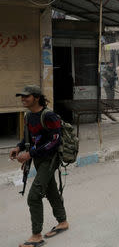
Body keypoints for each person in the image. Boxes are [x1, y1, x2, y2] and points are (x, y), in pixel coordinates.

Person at [10, 85, 68, 247]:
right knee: (51, 191)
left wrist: (30, 154)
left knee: (34, 196)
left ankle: (36, 236)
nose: (23, 99)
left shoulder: (49, 115)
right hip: (39, 160)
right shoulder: (28, 116)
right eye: (21, 96)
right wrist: (18, 148)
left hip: (50, 160)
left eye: (26, 97)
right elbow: (28, 139)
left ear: (36, 97)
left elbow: (55, 140)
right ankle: (62, 221)